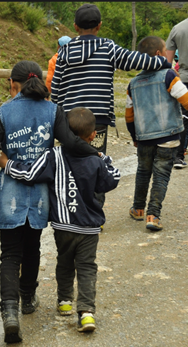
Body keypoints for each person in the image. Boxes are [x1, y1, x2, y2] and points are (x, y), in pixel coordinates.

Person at [0, 61, 99, 344]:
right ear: (40, 81)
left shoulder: (4, 112)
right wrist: (95, 154)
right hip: (40, 193)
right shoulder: (53, 110)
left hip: (10, 194)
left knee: (9, 253)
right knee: (33, 247)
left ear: (12, 83)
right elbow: (69, 142)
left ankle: (9, 312)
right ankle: (28, 299)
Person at [0, 107, 121, 332]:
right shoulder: (96, 160)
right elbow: (112, 180)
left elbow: (30, 174)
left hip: (63, 227)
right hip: (89, 228)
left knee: (65, 262)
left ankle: (64, 301)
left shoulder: (53, 155)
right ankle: (86, 313)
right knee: (86, 267)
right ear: (93, 135)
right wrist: (105, 158)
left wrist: (7, 164)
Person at [51, 3, 171, 209]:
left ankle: (71, 208)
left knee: (70, 160)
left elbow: (56, 89)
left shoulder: (63, 53)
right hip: (96, 122)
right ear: (99, 26)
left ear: (75, 26)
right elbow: (136, 60)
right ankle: (94, 213)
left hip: (69, 120)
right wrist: (165, 64)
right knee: (95, 161)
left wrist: (57, 119)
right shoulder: (107, 47)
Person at [126, 36, 188, 231]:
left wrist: (135, 136)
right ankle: (153, 215)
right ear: (160, 54)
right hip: (168, 138)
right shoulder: (169, 76)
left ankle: (137, 209)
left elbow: (129, 115)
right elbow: (185, 99)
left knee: (143, 172)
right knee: (161, 174)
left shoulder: (133, 84)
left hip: (144, 137)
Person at [166, 19, 188, 169]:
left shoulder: (178, 28)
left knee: (184, 117)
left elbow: (167, 62)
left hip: (184, 78)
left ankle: (178, 157)